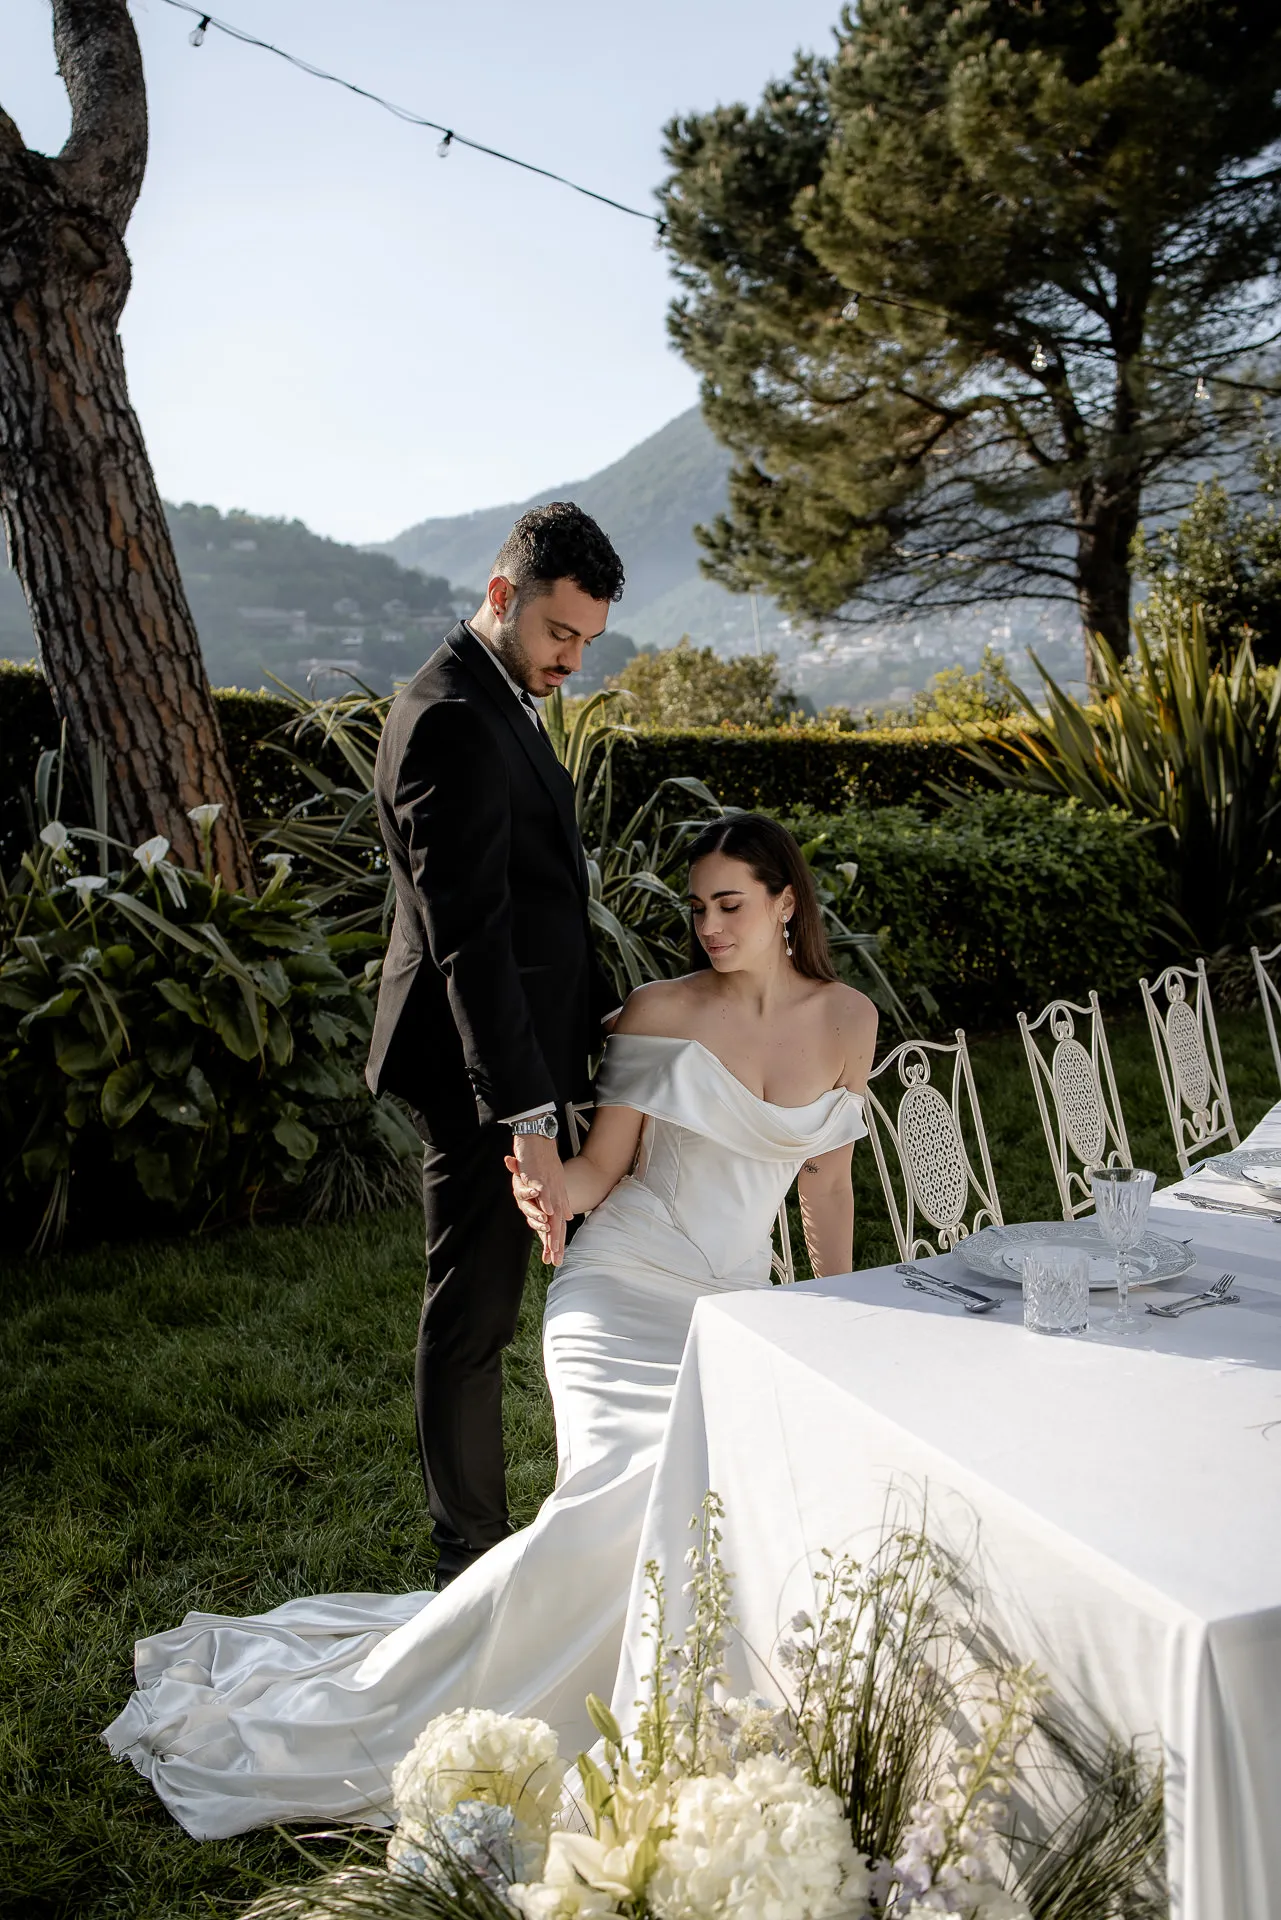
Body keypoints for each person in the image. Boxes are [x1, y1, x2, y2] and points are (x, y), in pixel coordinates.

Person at [103, 816, 876, 1842]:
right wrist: (545, 1183)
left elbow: (827, 1180)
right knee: (633, 1477)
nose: (708, 927)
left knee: (726, 1482)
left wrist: (835, 1314)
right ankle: (431, 1709)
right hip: (620, 1287)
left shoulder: (848, 1020)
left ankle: (677, 1691)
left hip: (732, 1305)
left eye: (730, 904)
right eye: (696, 908)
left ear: (787, 901)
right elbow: (603, 1173)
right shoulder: (658, 1010)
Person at [365, 502, 624, 1586]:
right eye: (561, 634)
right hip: (477, 1069)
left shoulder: (502, 697)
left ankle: (476, 1545)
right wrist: (525, 1123)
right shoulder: (449, 718)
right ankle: (464, 1559)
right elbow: (470, 938)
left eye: (589, 642)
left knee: (485, 1305)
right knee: (472, 1314)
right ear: (504, 594)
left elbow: (536, 899)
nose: (573, 659)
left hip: (521, 1051)